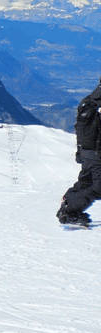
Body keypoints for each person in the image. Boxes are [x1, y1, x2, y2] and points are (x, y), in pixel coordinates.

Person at [59, 75, 101, 227]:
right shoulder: (94, 107)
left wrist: (79, 152)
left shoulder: (87, 103)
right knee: (98, 188)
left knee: (86, 182)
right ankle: (70, 212)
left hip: (87, 153)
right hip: (95, 154)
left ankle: (67, 205)